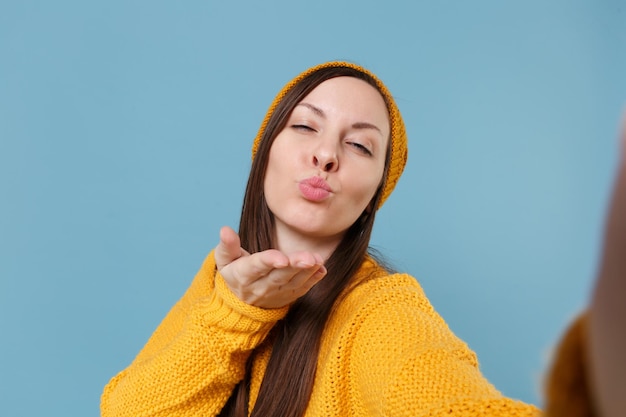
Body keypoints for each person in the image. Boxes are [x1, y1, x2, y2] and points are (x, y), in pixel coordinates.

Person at [100, 61, 624, 417]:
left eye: (358, 145)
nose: (326, 155)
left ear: (375, 192)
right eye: (305, 128)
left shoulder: (382, 315)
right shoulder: (225, 281)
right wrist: (234, 316)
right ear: (265, 151)